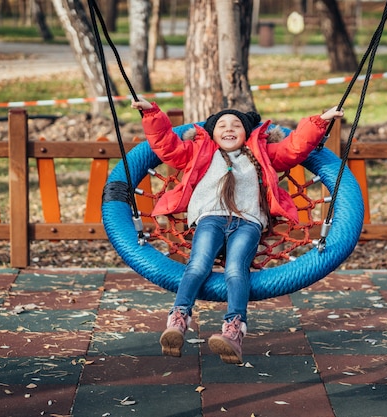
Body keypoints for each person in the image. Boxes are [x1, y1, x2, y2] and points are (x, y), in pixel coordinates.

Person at [131, 98, 344, 364]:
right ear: (211, 133)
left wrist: (320, 121)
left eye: (236, 125)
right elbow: (165, 144)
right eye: (221, 125)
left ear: (246, 133)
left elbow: (295, 147)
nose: (228, 128)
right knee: (198, 264)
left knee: (235, 269)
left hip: (248, 222)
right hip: (209, 218)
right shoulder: (198, 151)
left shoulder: (261, 153)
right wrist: (151, 112)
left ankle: (233, 330)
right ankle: (178, 318)